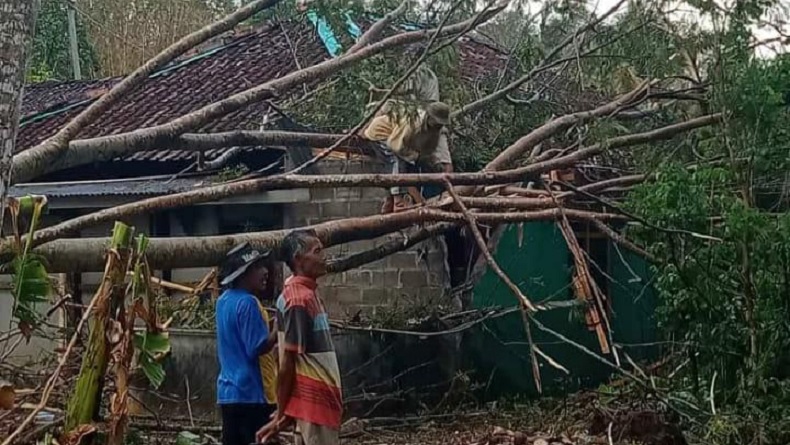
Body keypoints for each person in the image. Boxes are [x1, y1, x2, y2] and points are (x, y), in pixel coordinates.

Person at [256, 230, 342, 445]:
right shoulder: (298, 300)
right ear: (298, 259)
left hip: (314, 405)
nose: (324, 257)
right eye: (317, 251)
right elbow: (286, 361)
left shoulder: (303, 294)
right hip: (315, 406)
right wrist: (280, 413)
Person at [362, 65, 453, 213]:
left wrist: (433, 161)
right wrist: (415, 156)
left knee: (410, 163)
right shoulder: (414, 123)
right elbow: (395, 145)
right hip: (381, 134)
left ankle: (391, 200)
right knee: (397, 162)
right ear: (429, 117)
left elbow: (428, 149)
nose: (438, 125)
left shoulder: (434, 130)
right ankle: (398, 201)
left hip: (397, 139)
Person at [216, 243, 278, 445]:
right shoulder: (248, 303)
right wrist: (278, 331)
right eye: (257, 267)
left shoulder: (223, 301)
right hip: (251, 393)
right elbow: (256, 348)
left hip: (228, 392)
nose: (265, 271)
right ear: (243, 275)